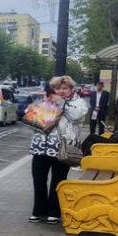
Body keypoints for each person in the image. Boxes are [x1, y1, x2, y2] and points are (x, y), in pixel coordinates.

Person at [28, 75, 87, 224]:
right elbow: (32, 124)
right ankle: (39, 211)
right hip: (41, 146)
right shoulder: (45, 101)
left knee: (58, 180)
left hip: (63, 148)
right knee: (39, 179)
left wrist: (59, 102)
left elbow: (75, 117)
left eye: (64, 88)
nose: (61, 91)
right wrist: (42, 109)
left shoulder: (78, 103)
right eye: (57, 88)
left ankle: (54, 212)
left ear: (71, 89)